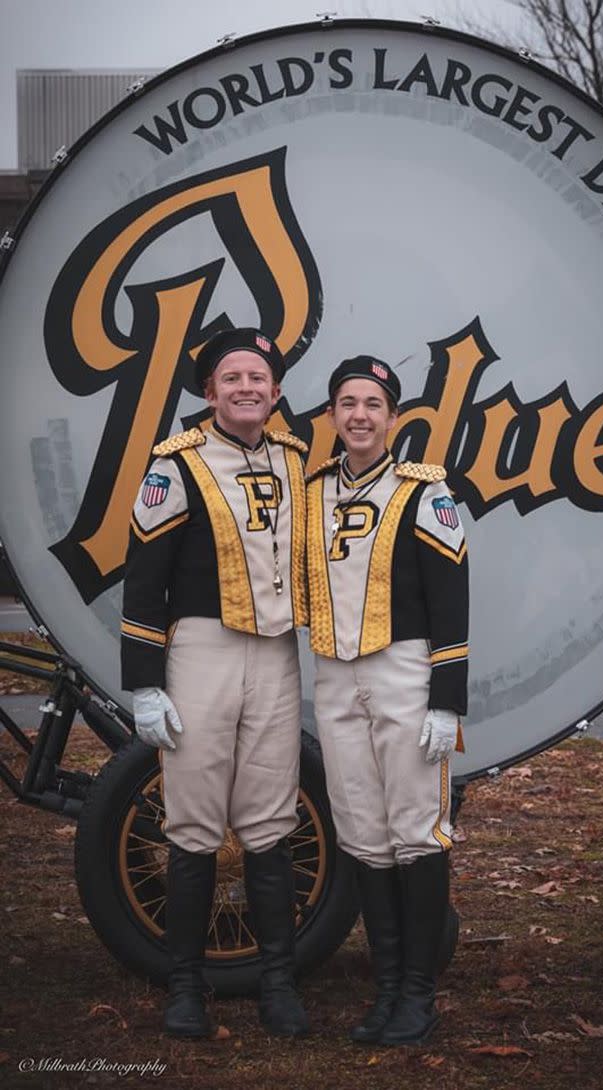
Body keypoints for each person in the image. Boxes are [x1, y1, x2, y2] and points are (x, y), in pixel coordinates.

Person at [121, 328, 310, 1039]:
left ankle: (278, 983)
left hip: (277, 655)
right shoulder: (175, 464)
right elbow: (145, 581)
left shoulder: (295, 460)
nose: (246, 388)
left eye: (258, 378)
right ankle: (185, 987)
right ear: (210, 391)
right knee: (195, 822)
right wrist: (145, 682)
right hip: (201, 650)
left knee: (268, 820)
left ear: (277, 391)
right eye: (232, 378)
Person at [305, 356, 469, 1046]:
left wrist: (446, 700)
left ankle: (419, 995)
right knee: (364, 836)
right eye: (347, 403)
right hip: (334, 677)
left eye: (373, 403)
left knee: (415, 831)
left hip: (404, 672)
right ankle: (387, 988)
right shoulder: (312, 491)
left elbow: (452, 596)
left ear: (394, 417)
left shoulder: (424, 490)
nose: (360, 415)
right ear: (333, 415)